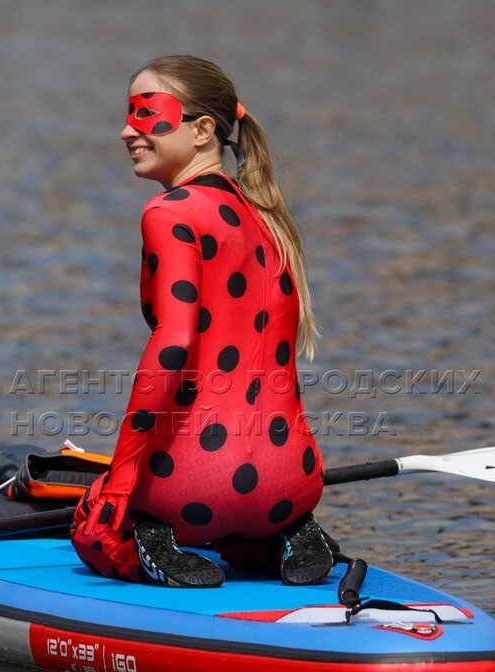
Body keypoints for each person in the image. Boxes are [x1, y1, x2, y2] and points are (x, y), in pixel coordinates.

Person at [71, 55, 332, 588]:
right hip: (292, 481)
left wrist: (121, 477)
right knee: (243, 524)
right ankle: (285, 532)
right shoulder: (266, 214)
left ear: (203, 129)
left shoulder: (169, 212)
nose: (127, 131)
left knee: (92, 525)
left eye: (147, 113)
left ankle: (154, 537)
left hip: (194, 486)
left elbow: (173, 345)